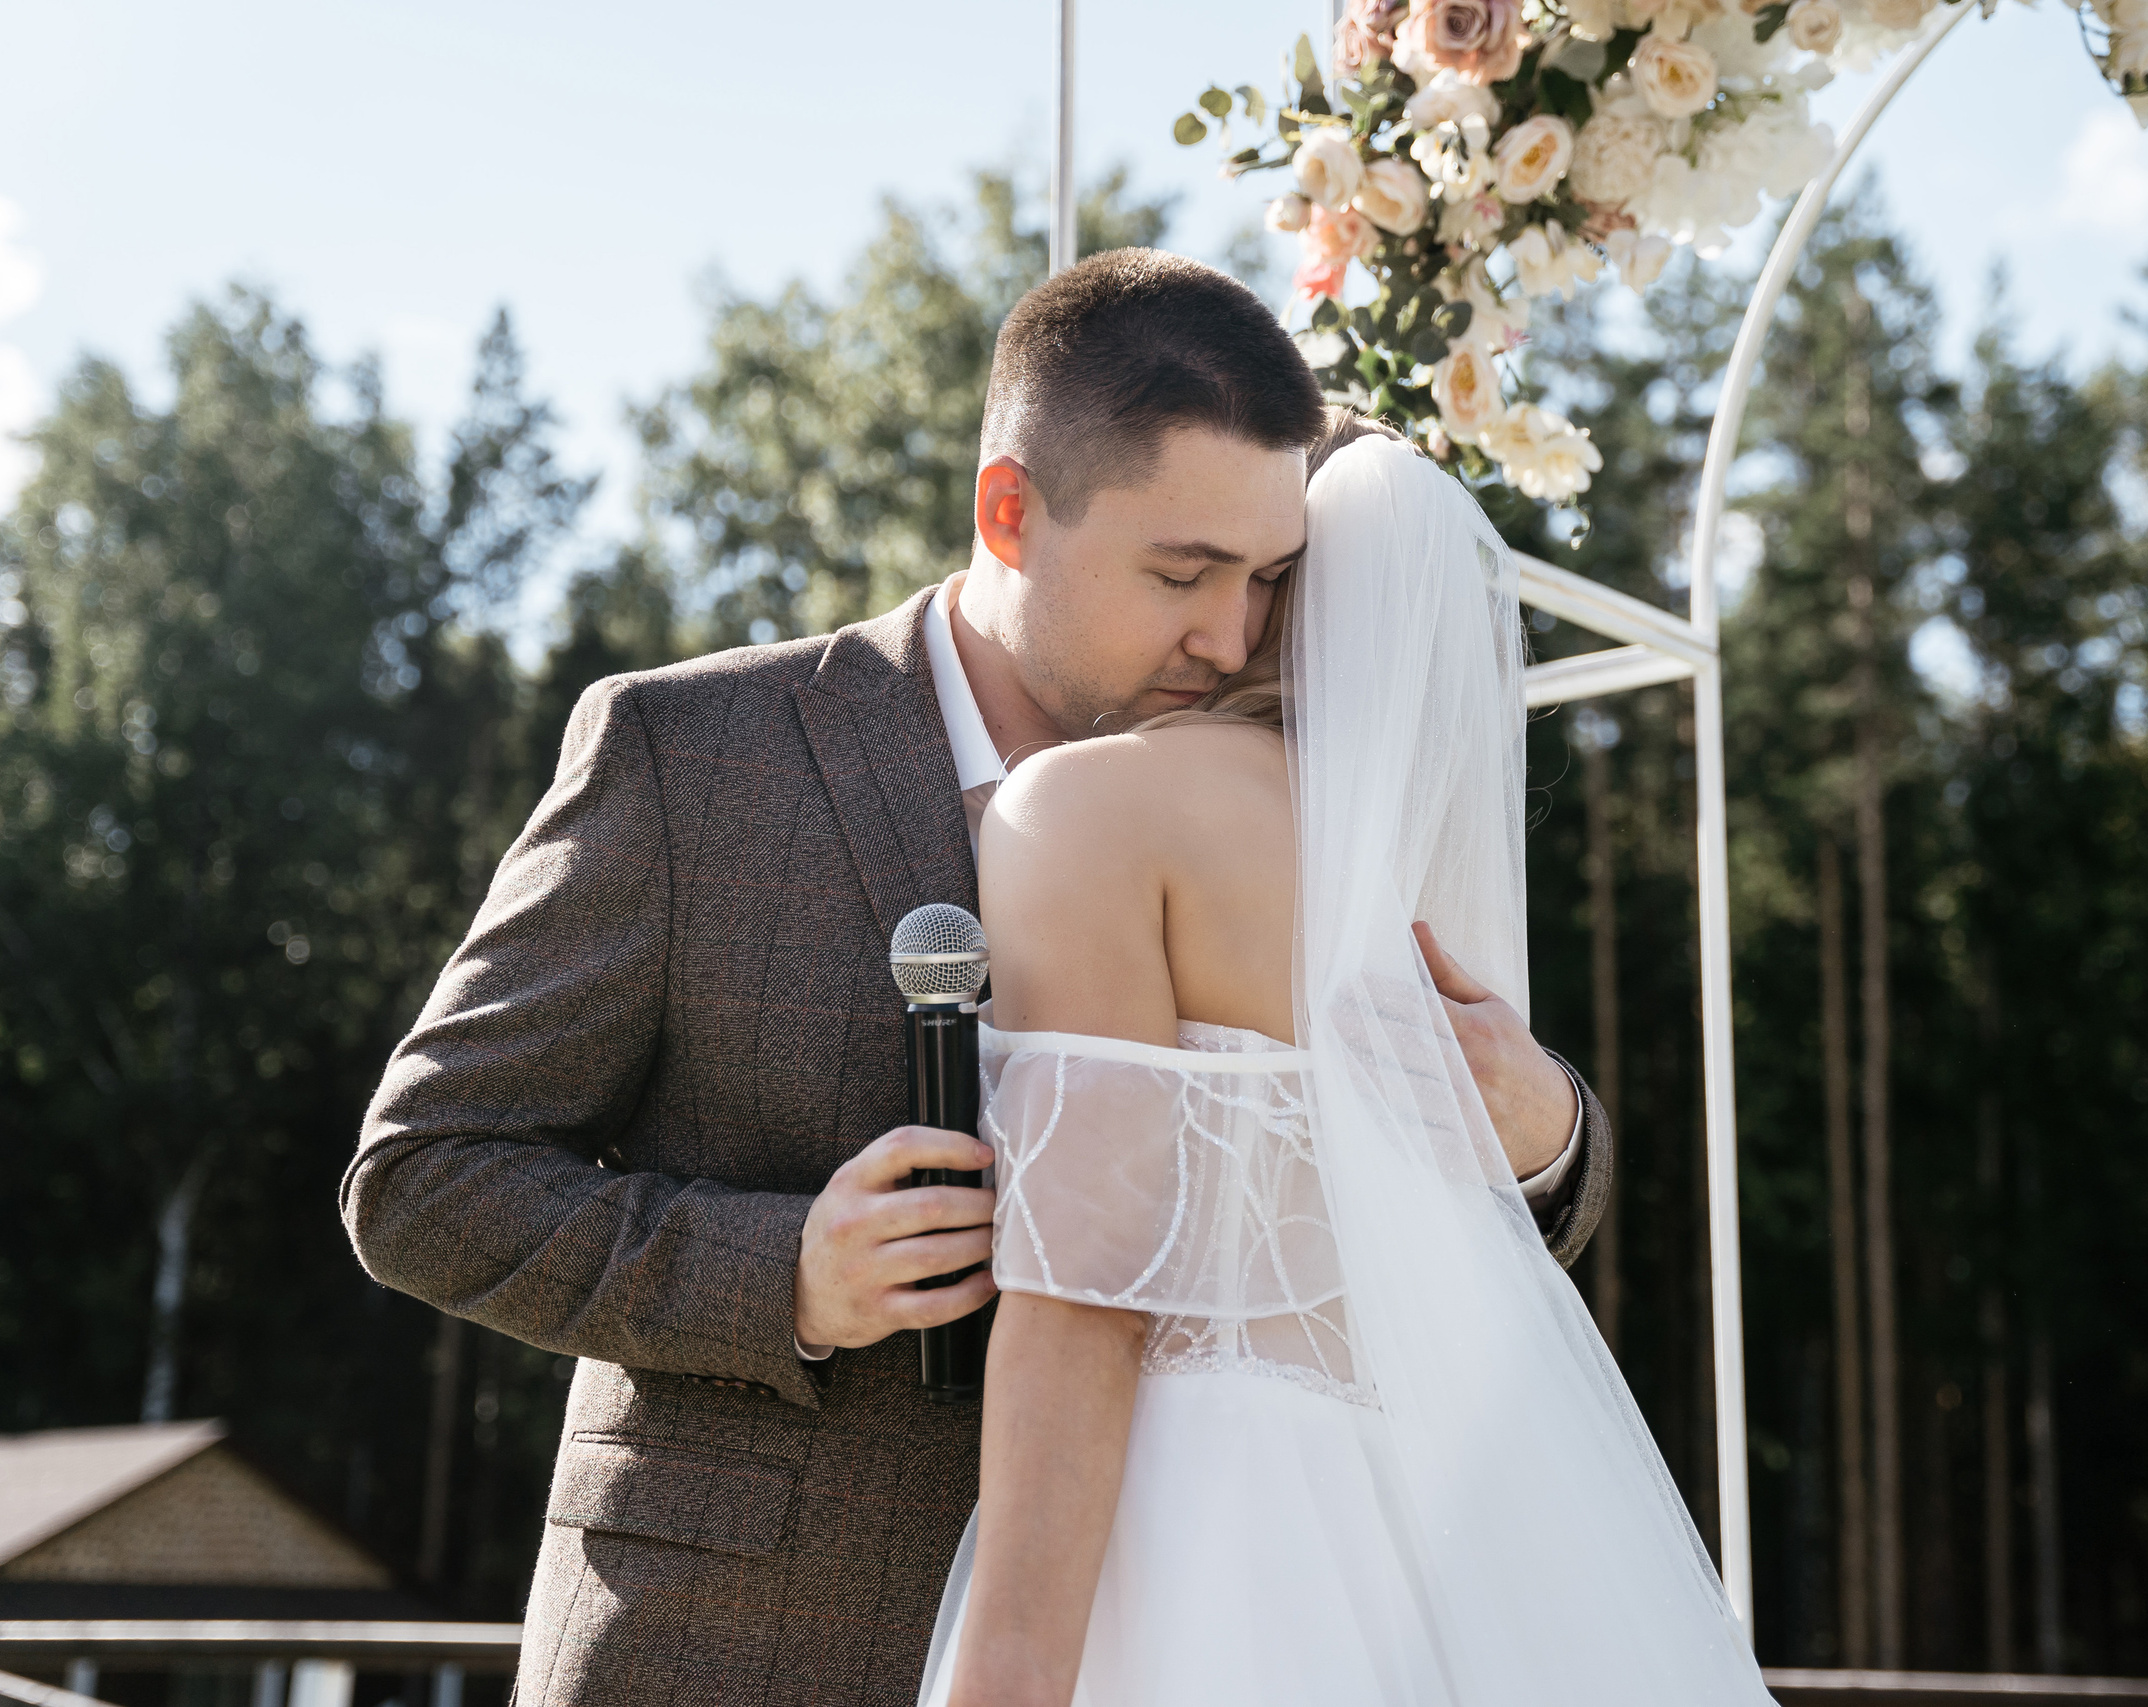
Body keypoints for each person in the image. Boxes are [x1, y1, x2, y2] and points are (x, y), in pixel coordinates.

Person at [341, 249, 1612, 1707]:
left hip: (1177, 1634)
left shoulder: (1297, 818)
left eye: (1266, 580)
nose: (1230, 635)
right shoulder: (688, 756)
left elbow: (1401, 1251)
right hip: (735, 1642)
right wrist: (791, 1271)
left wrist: (1547, 1132)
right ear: (1011, 510)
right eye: (1182, 572)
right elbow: (422, 1175)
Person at [911, 421, 1767, 1707]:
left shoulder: (1089, 809)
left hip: (1198, 1518)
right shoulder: (1394, 893)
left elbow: (1084, 1292)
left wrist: (1008, 1679)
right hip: (1444, 1530)